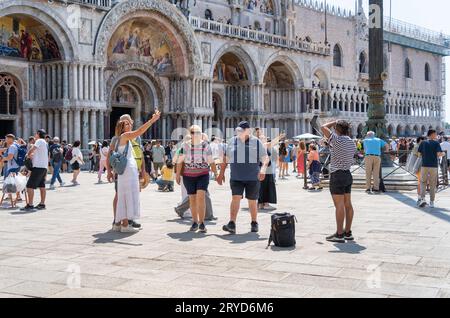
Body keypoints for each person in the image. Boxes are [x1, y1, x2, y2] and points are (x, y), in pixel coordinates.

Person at [113, 111, 161, 233]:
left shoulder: (120, 138)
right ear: (123, 127)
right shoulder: (125, 136)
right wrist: (152, 120)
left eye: (130, 123)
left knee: (124, 196)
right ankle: (125, 225)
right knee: (127, 196)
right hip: (127, 171)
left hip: (126, 171)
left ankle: (121, 224)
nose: (130, 125)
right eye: (127, 124)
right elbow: (139, 131)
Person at [218, 121, 269, 234]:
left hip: (252, 177)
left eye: (241, 130)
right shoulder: (232, 141)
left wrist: (263, 169)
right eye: (238, 130)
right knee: (235, 198)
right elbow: (225, 158)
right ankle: (232, 223)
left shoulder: (256, 142)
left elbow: (265, 158)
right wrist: (221, 174)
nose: (238, 132)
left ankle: (254, 223)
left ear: (248, 131)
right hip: (236, 177)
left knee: (252, 200)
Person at [176, 125, 219, 233]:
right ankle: (195, 222)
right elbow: (180, 161)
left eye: (199, 132)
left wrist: (216, 173)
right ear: (191, 134)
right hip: (188, 176)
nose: (197, 135)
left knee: (200, 197)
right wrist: (177, 175)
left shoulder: (205, 145)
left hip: (202, 175)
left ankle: (202, 222)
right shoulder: (185, 146)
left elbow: (211, 161)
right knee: (192, 199)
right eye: (195, 132)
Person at [321, 120, 357, 243]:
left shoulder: (336, 140)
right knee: (348, 204)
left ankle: (339, 234)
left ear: (337, 129)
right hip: (347, 174)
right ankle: (348, 232)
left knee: (339, 205)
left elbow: (323, 127)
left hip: (337, 175)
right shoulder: (352, 142)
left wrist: (334, 122)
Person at [21, 129, 49, 211]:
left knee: (29, 186)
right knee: (42, 186)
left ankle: (30, 204)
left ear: (38, 134)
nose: (35, 135)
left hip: (38, 167)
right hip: (43, 167)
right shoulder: (45, 142)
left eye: (36, 133)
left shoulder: (39, 140)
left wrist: (27, 154)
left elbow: (33, 148)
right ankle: (42, 203)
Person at [417, 130, 445, 208]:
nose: (436, 135)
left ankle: (422, 199)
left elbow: (419, 154)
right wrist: (443, 153)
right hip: (433, 166)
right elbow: (438, 154)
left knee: (423, 182)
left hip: (424, 165)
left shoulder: (423, 142)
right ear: (432, 134)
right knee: (432, 184)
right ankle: (432, 202)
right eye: (435, 134)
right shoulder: (436, 143)